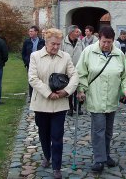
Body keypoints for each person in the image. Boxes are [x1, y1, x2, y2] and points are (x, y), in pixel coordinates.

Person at [76, 26, 126, 173]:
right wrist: (81, 89)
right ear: (99, 39)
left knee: (108, 131)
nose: (106, 45)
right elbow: (80, 72)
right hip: (95, 97)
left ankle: (106, 155)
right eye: (104, 41)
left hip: (111, 98)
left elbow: (125, 75)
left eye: (109, 42)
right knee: (98, 129)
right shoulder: (88, 52)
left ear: (113, 41)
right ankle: (99, 159)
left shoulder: (119, 54)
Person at [28, 28, 79, 179]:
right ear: (46, 42)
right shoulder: (35, 56)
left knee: (57, 136)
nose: (56, 47)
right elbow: (32, 78)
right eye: (53, 44)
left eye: (58, 44)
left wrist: (66, 91)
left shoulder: (65, 57)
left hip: (60, 104)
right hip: (41, 103)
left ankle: (57, 166)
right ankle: (47, 155)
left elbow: (75, 75)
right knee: (43, 133)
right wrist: (48, 92)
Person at [61, 25, 85, 116]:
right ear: (71, 33)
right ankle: (70, 108)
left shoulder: (80, 42)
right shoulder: (64, 42)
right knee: (69, 90)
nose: (78, 33)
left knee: (78, 89)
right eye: (76, 32)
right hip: (67, 70)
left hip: (78, 70)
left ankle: (78, 107)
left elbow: (83, 54)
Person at [22, 25, 45, 101]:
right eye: (29, 31)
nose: (30, 33)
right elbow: (23, 53)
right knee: (31, 80)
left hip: (41, 64)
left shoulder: (42, 41)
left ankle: (40, 95)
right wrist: (26, 61)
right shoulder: (27, 42)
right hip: (30, 64)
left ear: (36, 32)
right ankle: (32, 97)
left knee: (40, 80)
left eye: (31, 31)